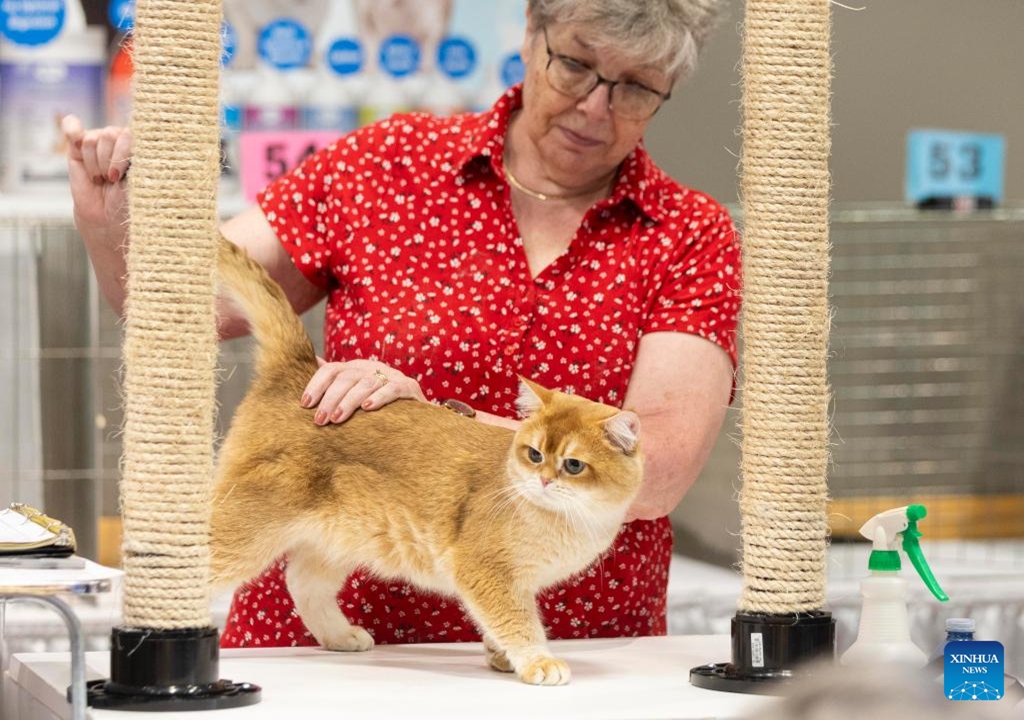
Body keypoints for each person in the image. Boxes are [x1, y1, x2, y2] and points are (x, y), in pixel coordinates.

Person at [63, 0, 739, 647]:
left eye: (635, 88)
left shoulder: (689, 235)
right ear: (531, 32)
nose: (595, 105)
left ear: (669, 88)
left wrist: (437, 422)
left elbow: (662, 470)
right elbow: (189, 307)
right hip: (322, 642)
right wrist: (106, 222)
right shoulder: (386, 164)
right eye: (577, 65)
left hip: (567, 650)